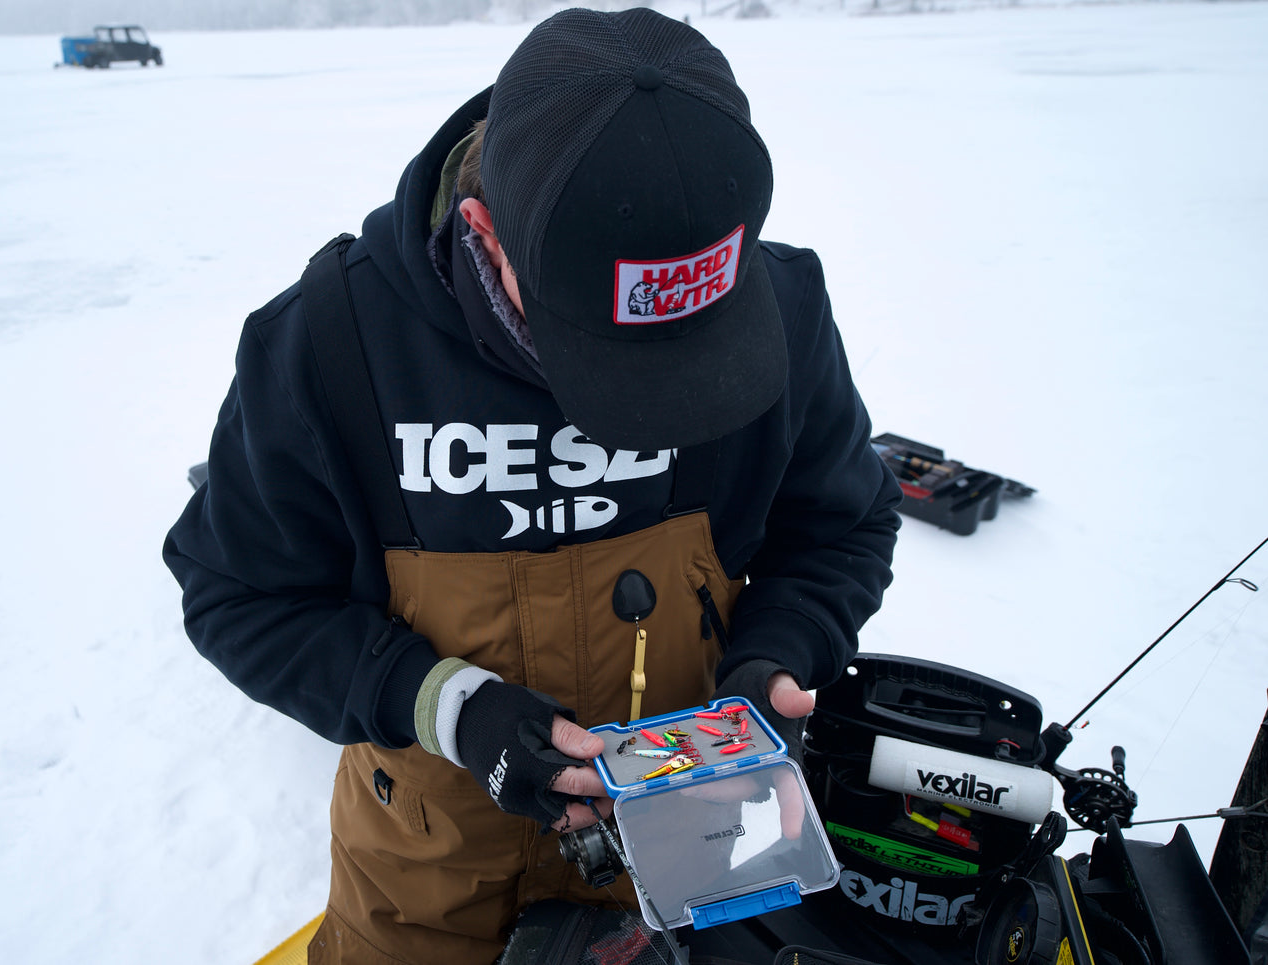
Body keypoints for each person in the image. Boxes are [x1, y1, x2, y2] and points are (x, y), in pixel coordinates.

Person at [163, 8, 900, 965]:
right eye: (603, 350)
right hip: (433, 886)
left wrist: (775, 656)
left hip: (704, 852)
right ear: (482, 231)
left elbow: (838, 527)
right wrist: (450, 705)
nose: (650, 393)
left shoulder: (783, 310)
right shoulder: (327, 344)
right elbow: (240, 594)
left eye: (689, 354)